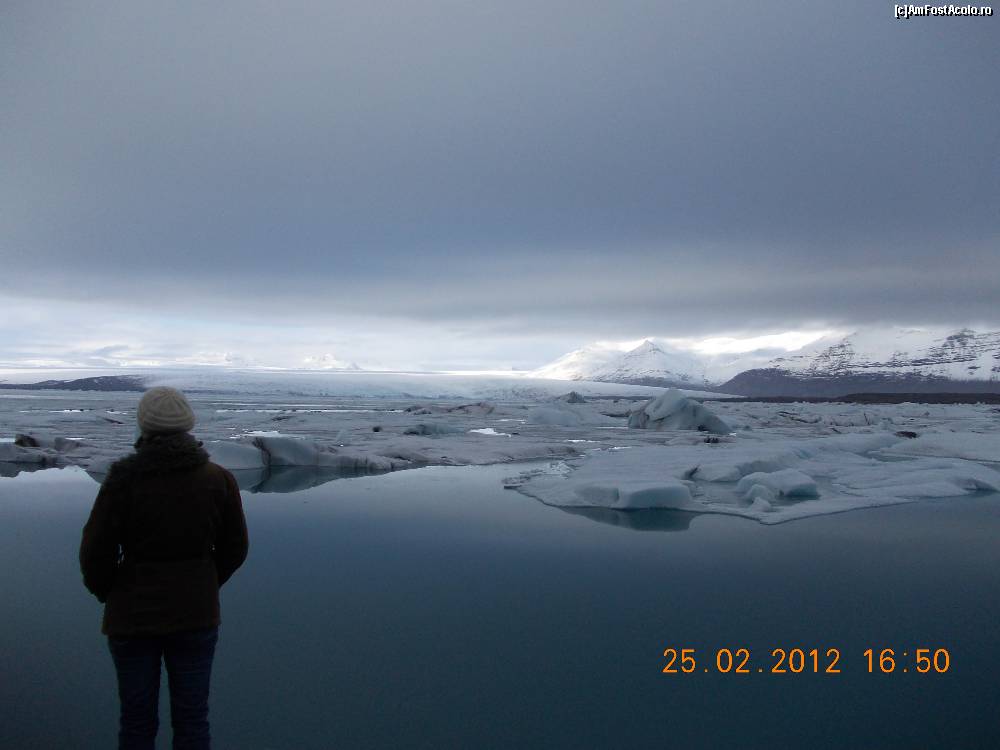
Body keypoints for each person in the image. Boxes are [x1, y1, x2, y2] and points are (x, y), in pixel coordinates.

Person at [80, 386, 249, 750]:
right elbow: (235, 549)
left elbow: (95, 552)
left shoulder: (122, 480)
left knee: (136, 722)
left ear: (144, 426)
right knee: (192, 720)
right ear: (188, 424)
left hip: (131, 617)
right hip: (196, 615)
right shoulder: (217, 479)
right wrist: (204, 582)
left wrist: (112, 592)